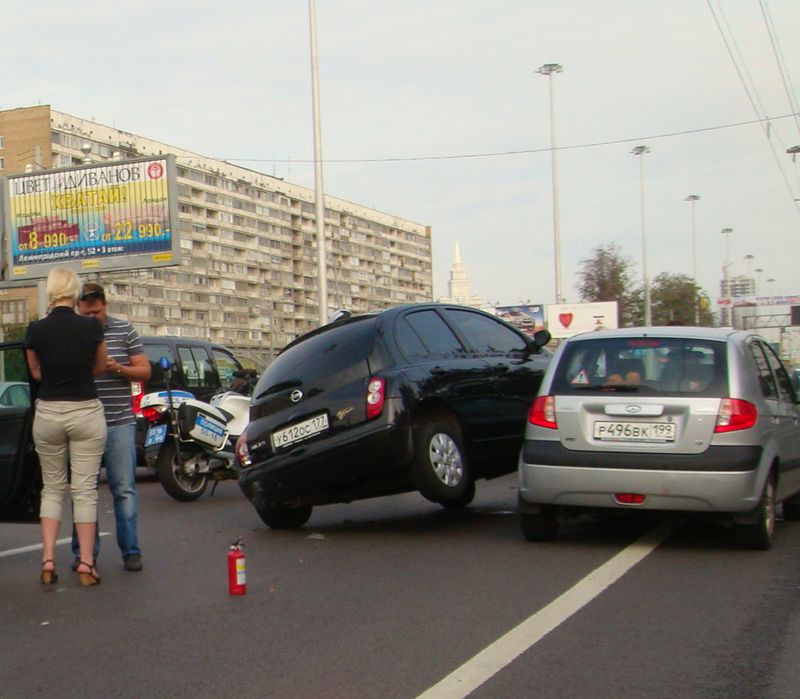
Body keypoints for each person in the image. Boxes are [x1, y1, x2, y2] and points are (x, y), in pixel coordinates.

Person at [25, 267, 108, 586]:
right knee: (85, 491)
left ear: (50, 291)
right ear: (74, 292)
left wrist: (56, 376)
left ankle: (48, 560)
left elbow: (35, 372)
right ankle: (86, 564)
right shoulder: (91, 327)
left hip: (48, 413)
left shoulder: (36, 329)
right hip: (85, 410)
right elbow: (100, 367)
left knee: (52, 488)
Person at [71, 282, 151, 572]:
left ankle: (131, 552)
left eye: (98, 311)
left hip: (119, 422)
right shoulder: (75, 334)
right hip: (84, 422)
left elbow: (144, 370)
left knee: (124, 489)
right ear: (79, 309)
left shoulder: (124, 330)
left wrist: (118, 368)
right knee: (84, 492)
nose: (93, 317)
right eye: (87, 312)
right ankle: (83, 554)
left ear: (105, 306)